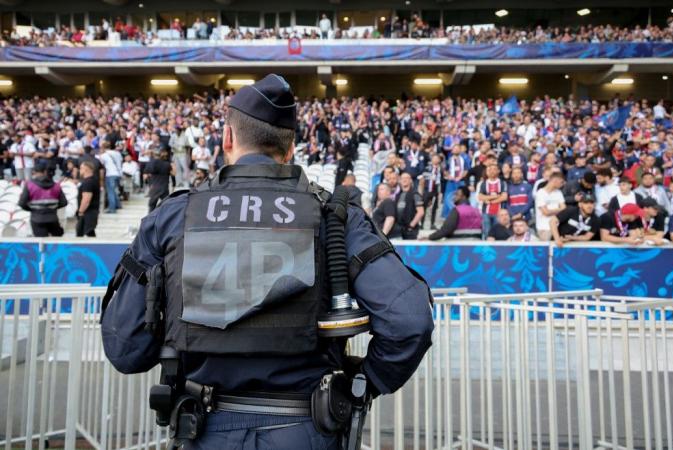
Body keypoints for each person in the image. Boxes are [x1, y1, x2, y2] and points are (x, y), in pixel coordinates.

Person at [101, 74, 433, 450]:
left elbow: (126, 348)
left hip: (206, 429)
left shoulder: (175, 215)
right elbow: (410, 321)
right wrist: (363, 384)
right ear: (290, 149)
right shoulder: (335, 217)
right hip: (307, 430)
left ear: (227, 138)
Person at [17, 162, 68, 237]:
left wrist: (33, 209)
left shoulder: (29, 185)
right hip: (52, 218)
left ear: (34, 172)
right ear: (45, 172)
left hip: (37, 219)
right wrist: (52, 208)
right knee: (56, 243)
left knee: (41, 244)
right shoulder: (56, 185)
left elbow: (22, 203)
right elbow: (64, 202)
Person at [477, 163, 507, 239]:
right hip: (486, 213)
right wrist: (495, 196)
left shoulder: (502, 183)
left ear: (498, 171)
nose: (492, 171)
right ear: (487, 172)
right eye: (490, 169)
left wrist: (489, 200)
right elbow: (480, 197)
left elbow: (504, 197)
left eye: (494, 169)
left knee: (498, 232)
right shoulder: (484, 183)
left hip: (499, 213)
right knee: (487, 232)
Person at [534, 171, 565, 241]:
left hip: (557, 226)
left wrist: (552, 210)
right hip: (544, 227)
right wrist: (559, 209)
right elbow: (546, 212)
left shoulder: (558, 192)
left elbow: (564, 208)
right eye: (561, 182)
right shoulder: (540, 193)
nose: (562, 184)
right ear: (555, 180)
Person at [396, 172, 424, 239]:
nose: (404, 180)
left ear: (410, 180)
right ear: (399, 181)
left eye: (406, 178)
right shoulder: (398, 195)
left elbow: (420, 212)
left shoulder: (415, 194)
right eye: (402, 178)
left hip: (410, 230)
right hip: (399, 229)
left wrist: (411, 226)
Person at [76, 160, 100, 237]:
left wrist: (80, 211)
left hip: (88, 212)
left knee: (86, 233)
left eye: (81, 168)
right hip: (90, 212)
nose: (80, 170)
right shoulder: (92, 180)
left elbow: (86, 199)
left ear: (86, 169)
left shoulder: (88, 182)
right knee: (88, 232)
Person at [97, 141, 122, 214]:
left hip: (110, 174)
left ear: (103, 147)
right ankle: (118, 204)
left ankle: (112, 208)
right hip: (118, 173)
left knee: (110, 191)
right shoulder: (117, 153)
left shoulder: (104, 155)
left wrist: (100, 154)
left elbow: (100, 163)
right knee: (114, 190)